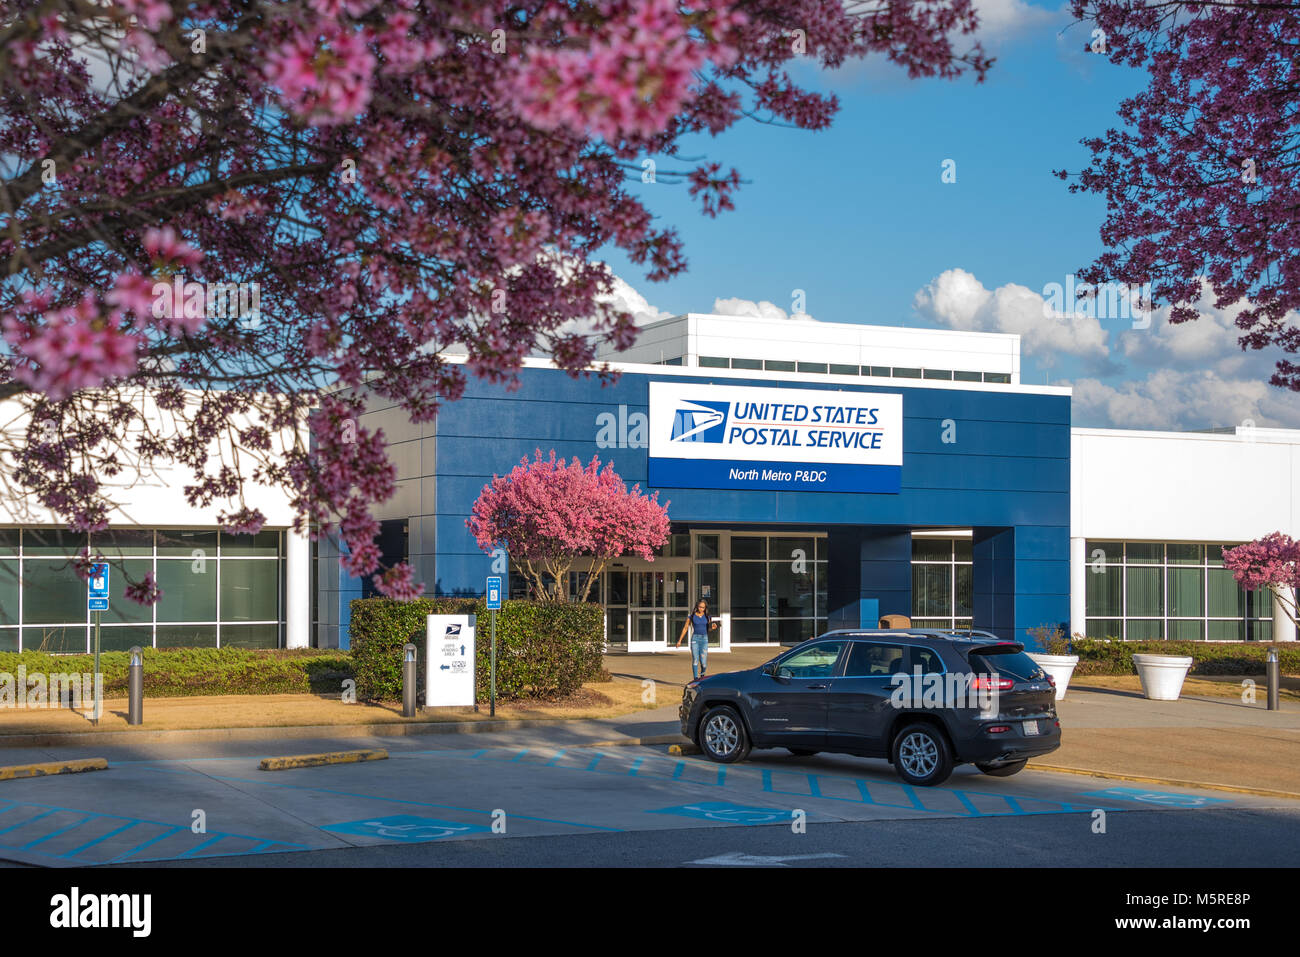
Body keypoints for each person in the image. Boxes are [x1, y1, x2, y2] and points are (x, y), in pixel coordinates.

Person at [676, 598, 719, 679]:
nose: (701, 609)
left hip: (704, 639)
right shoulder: (691, 616)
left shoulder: (708, 617)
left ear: (705, 608)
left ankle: (702, 675)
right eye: (700, 607)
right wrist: (679, 640)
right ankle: (695, 679)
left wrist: (713, 628)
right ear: (697, 606)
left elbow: (708, 629)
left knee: (703, 663)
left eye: (703, 607)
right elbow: (685, 628)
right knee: (695, 660)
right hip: (695, 639)